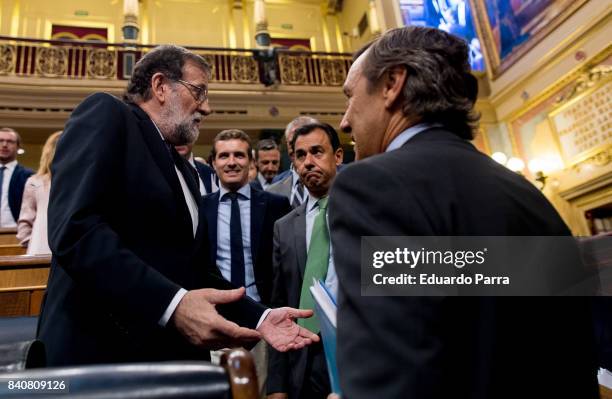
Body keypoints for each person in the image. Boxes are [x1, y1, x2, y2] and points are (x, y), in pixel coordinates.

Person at [329, 27, 598, 398]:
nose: (344, 121)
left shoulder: (374, 187)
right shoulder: (529, 195)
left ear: (392, 84)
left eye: (350, 97)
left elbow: (392, 378)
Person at [38, 44, 317, 366]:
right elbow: (76, 231)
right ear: (160, 86)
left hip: (167, 359)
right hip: (99, 355)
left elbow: (195, 272)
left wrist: (260, 317)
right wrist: (173, 304)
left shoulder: (184, 168)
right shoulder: (107, 114)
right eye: (198, 91)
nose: (207, 107)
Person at [268, 122, 343, 399]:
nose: (308, 162)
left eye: (317, 152)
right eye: (300, 155)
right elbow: (279, 305)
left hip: (357, 355)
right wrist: (276, 384)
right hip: (303, 360)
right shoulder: (284, 227)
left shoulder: (365, 212)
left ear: (337, 156)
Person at [204, 129, 291, 306]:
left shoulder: (276, 205)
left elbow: (286, 263)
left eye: (239, 155)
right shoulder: (201, 207)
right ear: (213, 163)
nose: (231, 162)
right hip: (216, 310)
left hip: (265, 309)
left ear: (251, 162)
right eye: (224, 156)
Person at [17, 131, 61, 255]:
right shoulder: (35, 182)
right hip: (40, 247)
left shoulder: (80, 180)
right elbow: (25, 221)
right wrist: (33, 243)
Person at [267, 116, 317, 208]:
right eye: (291, 143)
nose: (296, 148)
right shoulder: (271, 191)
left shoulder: (334, 185)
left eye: (303, 142)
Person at [0, 127, 34, 228]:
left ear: (18, 147)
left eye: (10, 141)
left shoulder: (30, 176)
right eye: (1, 140)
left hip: (15, 233)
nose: (4, 145)